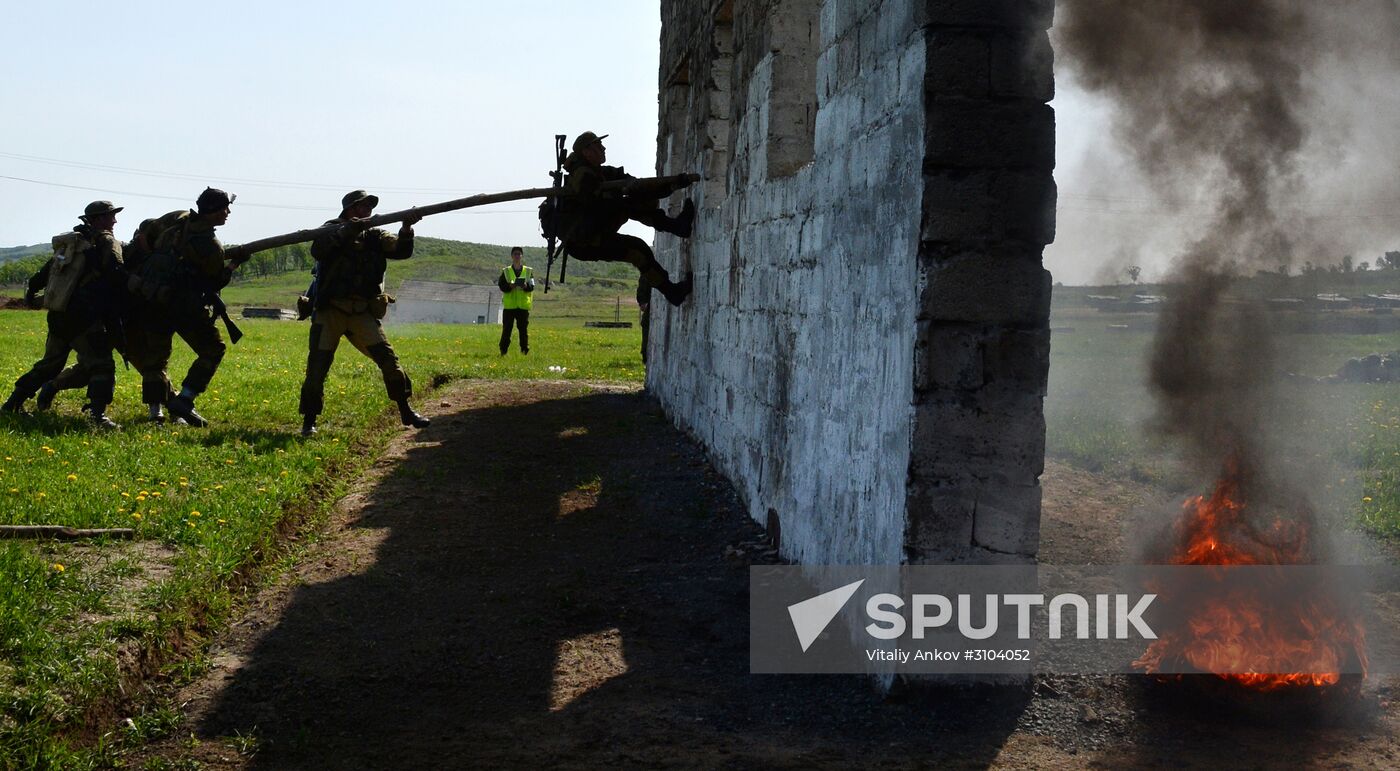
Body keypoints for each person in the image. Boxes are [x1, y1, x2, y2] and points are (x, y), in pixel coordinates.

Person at [297, 190, 429, 438]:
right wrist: (347, 231)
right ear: (350, 209)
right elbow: (318, 250)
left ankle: (405, 409)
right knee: (317, 367)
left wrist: (406, 228)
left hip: (361, 312)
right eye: (363, 205)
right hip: (331, 311)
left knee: (389, 360)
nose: (368, 209)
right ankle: (309, 420)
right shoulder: (331, 230)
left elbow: (401, 250)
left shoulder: (376, 234)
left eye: (370, 205)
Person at [122, 187, 247, 427]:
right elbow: (215, 280)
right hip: (184, 307)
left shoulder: (177, 218)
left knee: (155, 359)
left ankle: (155, 412)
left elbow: (146, 234)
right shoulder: (211, 245)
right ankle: (185, 399)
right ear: (212, 211)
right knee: (213, 349)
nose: (228, 212)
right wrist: (233, 265)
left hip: (151, 299)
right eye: (224, 208)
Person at [2, 201, 127, 429]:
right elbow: (117, 272)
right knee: (102, 364)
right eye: (110, 217)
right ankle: (97, 416)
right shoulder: (107, 241)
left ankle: (12, 403)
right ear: (98, 219)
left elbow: (44, 274)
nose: (114, 221)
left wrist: (31, 293)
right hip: (86, 318)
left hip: (60, 315)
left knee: (50, 365)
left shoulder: (72, 243)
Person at [559, 131, 695, 306]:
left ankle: (678, 227)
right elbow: (597, 204)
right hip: (584, 242)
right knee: (637, 250)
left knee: (632, 203)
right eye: (598, 145)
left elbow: (638, 187)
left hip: (597, 229)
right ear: (587, 152)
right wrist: (623, 195)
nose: (603, 148)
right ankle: (672, 292)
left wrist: (673, 184)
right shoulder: (581, 176)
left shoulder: (601, 172)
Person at [497, 246, 534, 355]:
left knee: (523, 331)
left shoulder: (528, 271)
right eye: (515, 254)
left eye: (519, 254)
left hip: (522, 307)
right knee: (506, 330)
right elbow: (501, 286)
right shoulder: (506, 271)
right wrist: (510, 287)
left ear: (521, 256)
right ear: (512, 256)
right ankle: (503, 351)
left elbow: (532, 286)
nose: (517, 256)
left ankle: (524, 350)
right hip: (509, 307)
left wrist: (526, 286)